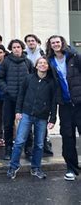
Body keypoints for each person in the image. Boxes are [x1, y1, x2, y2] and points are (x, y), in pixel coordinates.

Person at [7, 56, 57, 180]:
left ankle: (36, 168)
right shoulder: (28, 78)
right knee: (19, 141)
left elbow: (53, 101)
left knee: (39, 144)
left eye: (45, 63)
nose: (42, 65)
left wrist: (52, 119)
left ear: (48, 66)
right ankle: (13, 167)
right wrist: (18, 111)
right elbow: (21, 95)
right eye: (40, 63)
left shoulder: (51, 82)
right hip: (26, 114)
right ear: (36, 66)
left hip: (42, 117)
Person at [46, 35, 81, 181]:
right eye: (53, 43)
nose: (55, 44)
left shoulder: (75, 57)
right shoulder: (49, 61)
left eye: (57, 42)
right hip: (65, 105)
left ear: (62, 43)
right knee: (67, 137)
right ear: (50, 45)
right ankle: (71, 169)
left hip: (79, 103)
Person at [0, 39, 33, 160]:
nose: (16, 49)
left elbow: (32, 79)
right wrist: (7, 89)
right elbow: (0, 78)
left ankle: (28, 149)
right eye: (14, 47)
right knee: (8, 125)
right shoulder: (6, 62)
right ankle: (8, 148)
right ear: (11, 49)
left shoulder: (28, 62)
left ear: (22, 48)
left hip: (25, 100)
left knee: (26, 124)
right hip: (9, 98)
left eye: (18, 47)